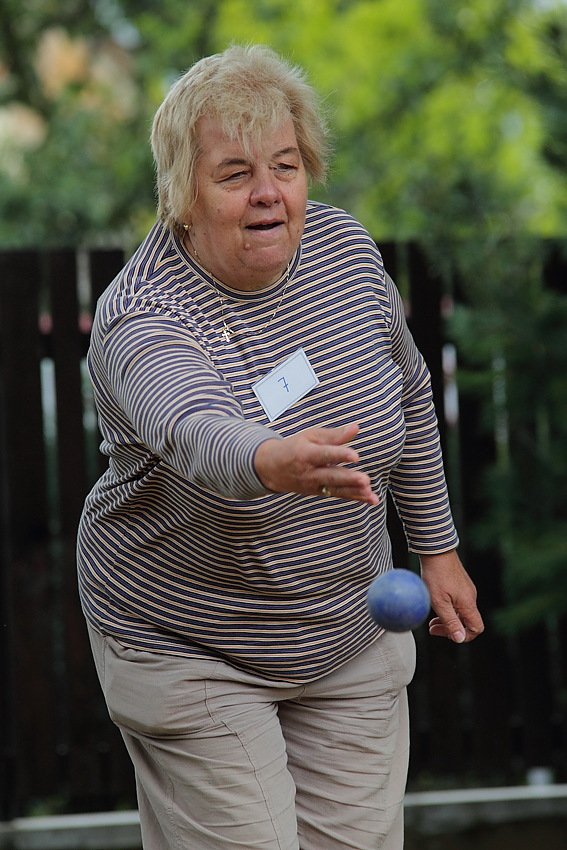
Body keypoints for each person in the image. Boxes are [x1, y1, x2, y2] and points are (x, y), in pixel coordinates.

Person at [77, 43, 484, 850]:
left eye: (286, 166)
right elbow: (194, 429)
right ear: (182, 194)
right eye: (234, 174)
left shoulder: (345, 254)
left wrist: (436, 548)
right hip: (188, 642)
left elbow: (408, 389)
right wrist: (272, 461)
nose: (268, 193)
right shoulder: (144, 317)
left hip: (345, 628)